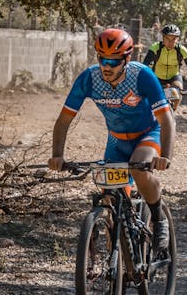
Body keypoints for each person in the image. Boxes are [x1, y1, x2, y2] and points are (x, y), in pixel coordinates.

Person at [48, 27, 175, 260]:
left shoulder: (142, 75)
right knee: (110, 202)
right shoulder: (89, 78)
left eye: (113, 61)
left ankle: (158, 219)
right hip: (117, 140)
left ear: (126, 60)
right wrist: (57, 155)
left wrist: (165, 155)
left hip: (148, 134)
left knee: (139, 167)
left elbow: (166, 120)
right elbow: (64, 120)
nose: (106, 66)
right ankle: (117, 269)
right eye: (102, 59)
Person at [143, 24, 187, 109]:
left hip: (174, 77)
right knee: (149, 101)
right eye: (167, 39)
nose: (170, 42)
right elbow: (145, 65)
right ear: (163, 38)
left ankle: (173, 112)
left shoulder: (182, 50)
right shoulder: (156, 47)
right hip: (157, 76)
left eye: (174, 39)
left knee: (176, 93)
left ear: (177, 39)